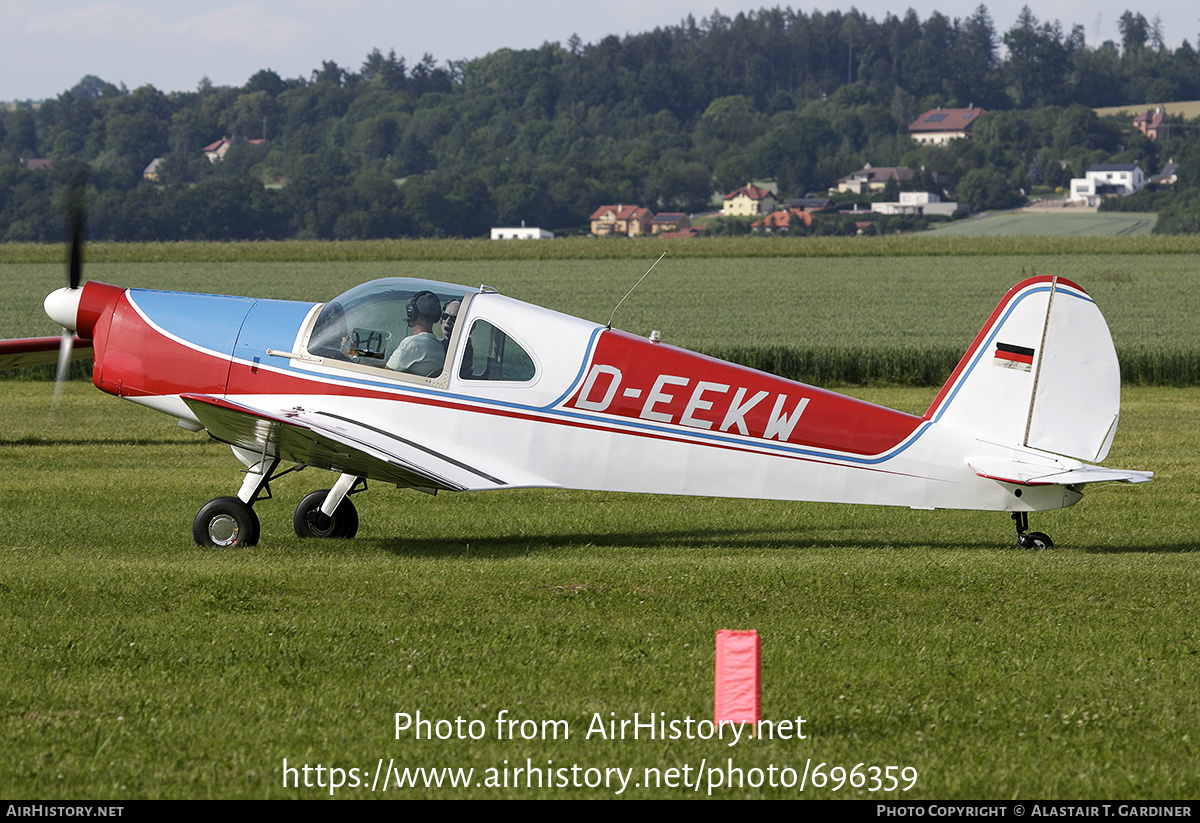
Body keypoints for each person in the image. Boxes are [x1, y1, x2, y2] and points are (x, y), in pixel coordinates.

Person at [386, 291, 445, 376]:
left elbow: (386, 373)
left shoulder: (412, 343)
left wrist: (364, 363)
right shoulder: (438, 345)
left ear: (412, 313)